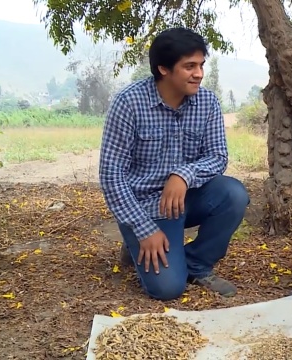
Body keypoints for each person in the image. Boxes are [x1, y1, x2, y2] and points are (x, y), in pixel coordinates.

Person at [99, 28, 250, 301]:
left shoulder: (207, 102)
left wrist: (183, 174)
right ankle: (137, 241)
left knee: (233, 194)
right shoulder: (129, 103)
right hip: (145, 207)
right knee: (168, 289)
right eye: (189, 66)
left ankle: (196, 263)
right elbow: (111, 176)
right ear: (163, 69)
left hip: (186, 198)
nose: (199, 74)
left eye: (201, 65)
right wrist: (144, 230)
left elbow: (218, 156)